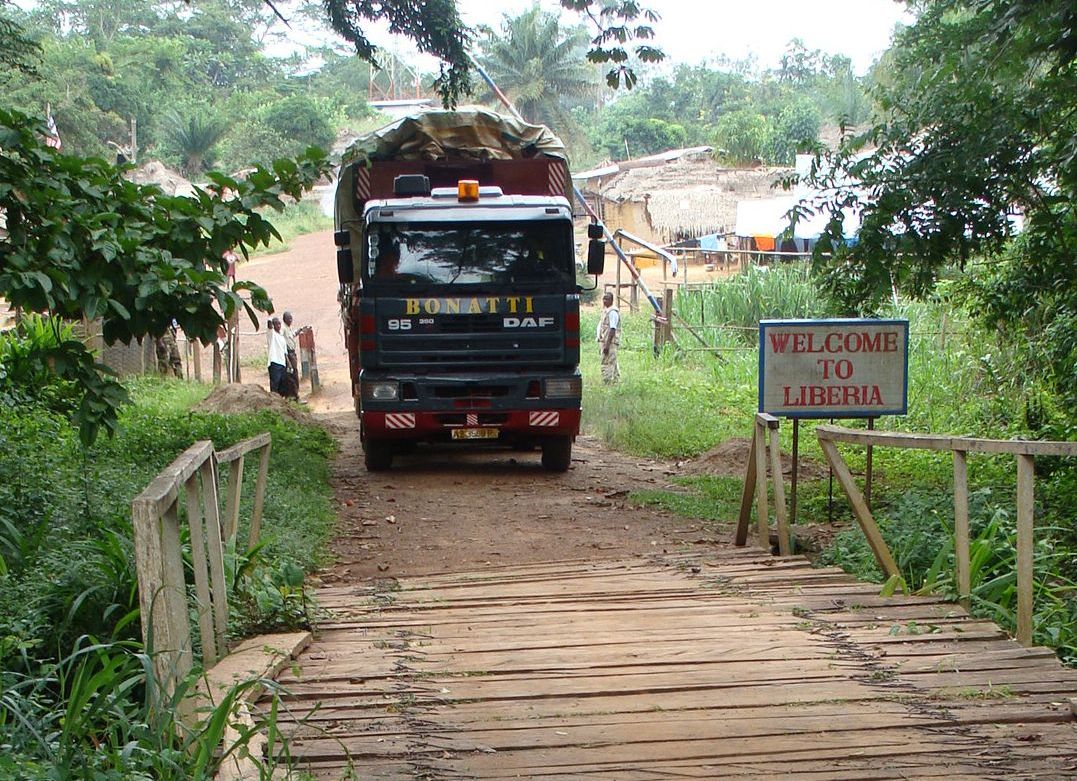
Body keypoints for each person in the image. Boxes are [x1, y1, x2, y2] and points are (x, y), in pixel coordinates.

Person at [597, 290, 620, 384]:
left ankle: (607, 381)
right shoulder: (605, 311)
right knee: (612, 361)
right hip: (604, 341)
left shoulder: (612, 312)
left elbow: (612, 329)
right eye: (603, 298)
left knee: (607, 361)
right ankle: (616, 380)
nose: (604, 300)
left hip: (610, 342)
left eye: (607, 299)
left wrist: (607, 344)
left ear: (612, 300)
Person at [266, 317, 288, 395]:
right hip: (274, 362)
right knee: (275, 384)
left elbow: (285, 352)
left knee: (282, 385)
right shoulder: (271, 334)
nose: (278, 326)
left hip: (282, 363)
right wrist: (270, 319)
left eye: (279, 324)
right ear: (273, 325)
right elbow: (269, 326)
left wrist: (288, 364)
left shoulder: (281, 337)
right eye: (276, 324)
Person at [282, 311, 298, 376]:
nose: (290, 320)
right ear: (284, 320)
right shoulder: (283, 328)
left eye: (291, 318)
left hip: (292, 352)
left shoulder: (289, 327)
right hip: (288, 352)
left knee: (294, 370)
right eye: (289, 319)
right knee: (292, 371)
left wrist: (299, 331)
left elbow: (292, 335)